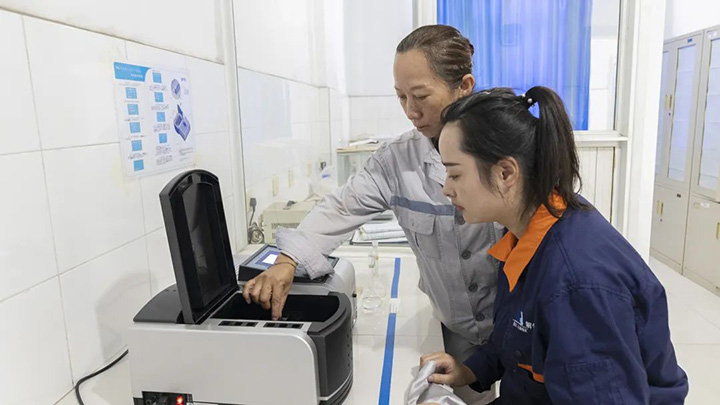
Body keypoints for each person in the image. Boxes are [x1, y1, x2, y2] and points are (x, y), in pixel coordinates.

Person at [242, 25, 500, 403]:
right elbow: (341, 207)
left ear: (464, 86)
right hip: (458, 328)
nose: (410, 111)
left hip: (517, 324)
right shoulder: (397, 161)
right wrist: (287, 259)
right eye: (401, 97)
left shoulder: (506, 148)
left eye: (420, 96)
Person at [420, 87, 689, 404]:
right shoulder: (528, 232)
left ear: (505, 173)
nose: (446, 189)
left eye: (454, 174)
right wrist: (470, 370)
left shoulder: (576, 283)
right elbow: (520, 337)